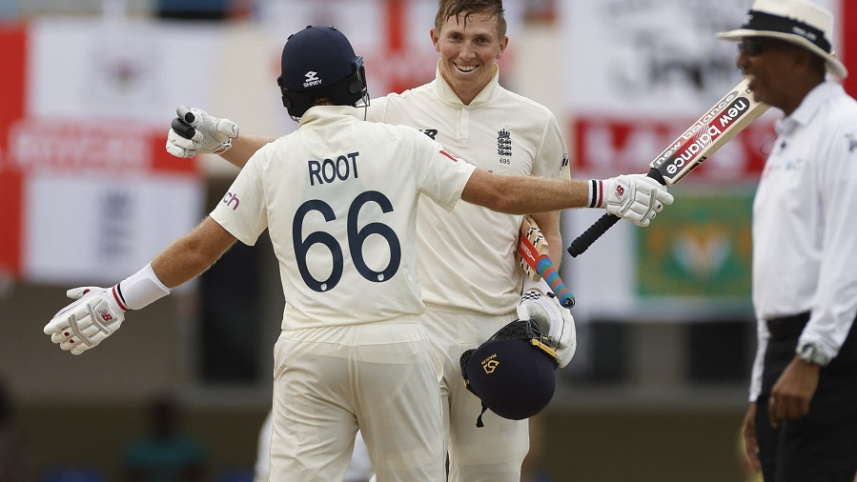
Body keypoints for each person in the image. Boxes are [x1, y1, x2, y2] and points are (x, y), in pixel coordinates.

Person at [45, 25, 672, 482]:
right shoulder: (400, 142)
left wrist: (117, 299)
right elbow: (503, 192)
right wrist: (604, 189)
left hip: (309, 348)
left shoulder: (273, 160)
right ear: (360, 84)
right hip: (398, 348)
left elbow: (197, 250)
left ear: (289, 98)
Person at [166, 1, 606, 479]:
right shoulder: (392, 113)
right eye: (456, 38)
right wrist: (223, 141)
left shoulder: (537, 123)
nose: (467, 52)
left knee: (492, 475)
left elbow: (547, 228)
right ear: (435, 38)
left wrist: (542, 294)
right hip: (415, 334)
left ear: (503, 45)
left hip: (497, 332)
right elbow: (296, 157)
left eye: (481, 40)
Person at [716, 0, 857, 480]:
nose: (741, 61)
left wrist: (812, 357)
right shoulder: (791, 137)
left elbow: (851, 255)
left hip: (831, 347)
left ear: (800, 58)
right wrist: (762, 386)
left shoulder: (844, 129)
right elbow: (777, 282)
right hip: (790, 349)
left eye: (754, 48)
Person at [122, 395, 207, 482]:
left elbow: (197, 474)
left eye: (166, 417)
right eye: (159, 417)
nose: (163, 421)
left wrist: (153, 471)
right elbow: (130, 475)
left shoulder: (191, 448)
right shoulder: (137, 449)